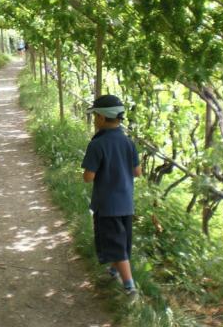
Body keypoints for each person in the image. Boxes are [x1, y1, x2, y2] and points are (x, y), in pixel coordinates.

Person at [81, 95, 142, 297]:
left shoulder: (97, 145)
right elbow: (137, 172)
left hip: (107, 205)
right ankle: (115, 270)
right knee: (122, 240)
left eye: (95, 116)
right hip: (126, 201)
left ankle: (129, 287)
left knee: (115, 245)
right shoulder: (128, 142)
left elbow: (88, 177)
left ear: (100, 118)